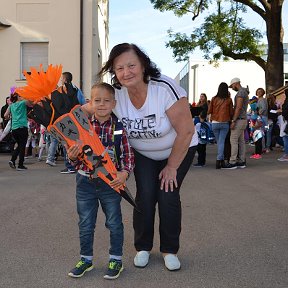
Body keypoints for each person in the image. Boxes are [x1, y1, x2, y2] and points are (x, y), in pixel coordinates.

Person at [97, 43, 195, 271]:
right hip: (143, 153)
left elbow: (187, 131)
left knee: (168, 195)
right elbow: (93, 108)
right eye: (119, 68)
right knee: (146, 196)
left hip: (177, 150)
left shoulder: (163, 88)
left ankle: (170, 250)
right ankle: (143, 247)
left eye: (131, 65)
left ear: (143, 65)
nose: (126, 72)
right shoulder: (116, 93)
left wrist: (172, 166)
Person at [67, 83, 134, 280]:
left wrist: (124, 173)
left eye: (106, 101)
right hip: (85, 183)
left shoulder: (119, 128)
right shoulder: (82, 127)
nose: (102, 104)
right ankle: (86, 259)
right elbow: (76, 158)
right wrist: (72, 157)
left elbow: (128, 155)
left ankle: (116, 259)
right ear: (90, 102)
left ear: (114, 103)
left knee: (114, 222)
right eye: (97, 100)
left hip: (110, 184)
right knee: (86, 223)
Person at [59, 72, 85, 173]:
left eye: (62, 78)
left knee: (66, 142)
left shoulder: (62, 90)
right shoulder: (76, 89)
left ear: (65, 79)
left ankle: (70, 166)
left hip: (66, 119)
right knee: (76, 141)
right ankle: (75, 164)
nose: (61, 80)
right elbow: (82, 102)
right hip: (76, 118)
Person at [223, 77, 249, 169]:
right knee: (241, 141)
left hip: (239, 119)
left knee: (233, 140)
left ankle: (232, 161)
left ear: (235, 83)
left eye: (232, 86)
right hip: (243, 119)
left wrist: (233, 120)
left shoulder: (240, 93)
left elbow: (238, 107)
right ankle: (241, 161)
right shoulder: (244, 92)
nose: (232, 88)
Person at [207, 82, 233, 169]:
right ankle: (219, 161)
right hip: (225, 122)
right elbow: (231, 112)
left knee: (219, 143)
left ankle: (220, 161)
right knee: (221, 142)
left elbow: (209, 110)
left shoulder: (214, 99)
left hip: (215, 122)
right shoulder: (229, 100)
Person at [4, 92, 30, 170]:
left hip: (14, 129)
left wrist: (10, 118)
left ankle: (14, 161)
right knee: (22, 146)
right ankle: (19, 164)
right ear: (18, 97)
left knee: (20, 146)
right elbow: (30, 102)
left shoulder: (11, 105)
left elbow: (5, 115)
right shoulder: (22, 103)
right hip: (22, 127)